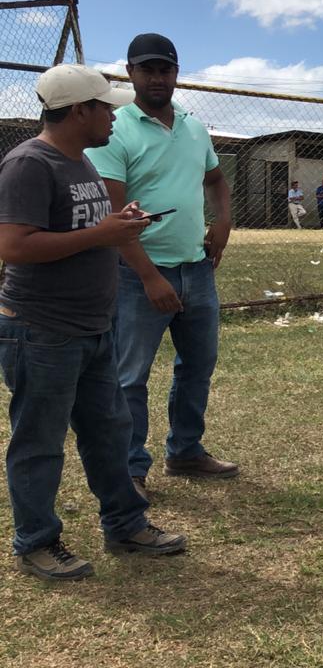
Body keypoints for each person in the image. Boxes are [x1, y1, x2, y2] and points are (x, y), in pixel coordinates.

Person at [0, 64, 187, 580]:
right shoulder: (29, 164)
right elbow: (14, 246)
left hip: (92, 326)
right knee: (39, 441)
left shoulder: (80, 161)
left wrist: (118, 226)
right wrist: (101, 235)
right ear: (79, 110)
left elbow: (91, 229)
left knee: (109, 431)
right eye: (105, 106)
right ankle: (37, 542)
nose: (114, 115)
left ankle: (126, 523)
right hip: (41, 329)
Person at [85, 33, 239, 501]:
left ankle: (186, 450)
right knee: (129, 375)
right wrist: (149, 275)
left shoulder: (194, 127)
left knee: (198, 366)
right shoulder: (116, 129)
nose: (157, 78)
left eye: (165, 69)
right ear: (130, 73)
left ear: (176, 73)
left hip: (196, 268)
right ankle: (131, 468)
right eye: (147, 69)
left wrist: (223, 223)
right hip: (136, 275)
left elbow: (215, 180)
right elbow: (111, 215)